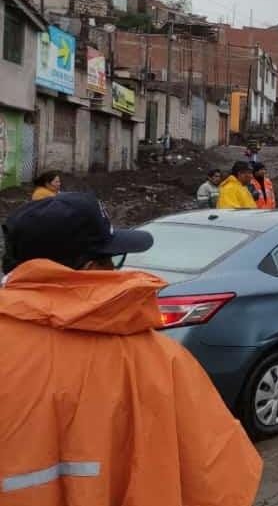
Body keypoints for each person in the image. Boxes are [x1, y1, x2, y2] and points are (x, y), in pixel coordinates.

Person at [0, 193, 262, 505]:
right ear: (87, 267)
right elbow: (219, 483)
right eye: (111, 259)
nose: (116, 270)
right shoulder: (159, 360)